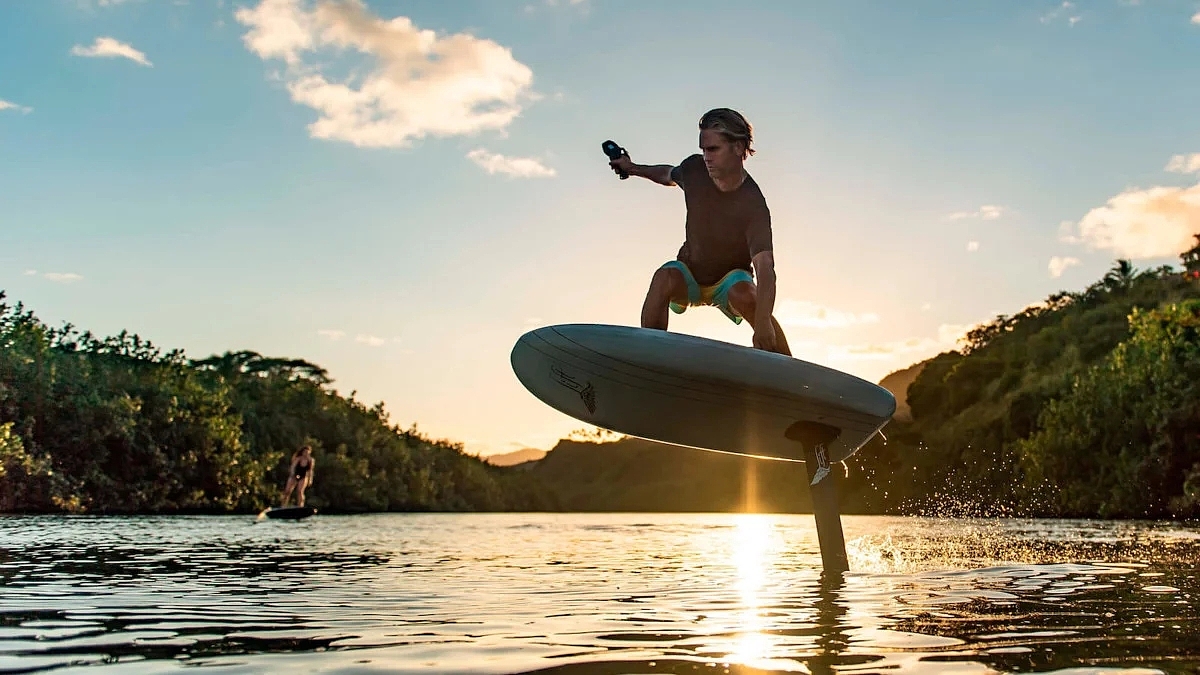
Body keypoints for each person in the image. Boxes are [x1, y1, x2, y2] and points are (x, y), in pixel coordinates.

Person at [607, 107, 791, 356]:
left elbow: (765, 268)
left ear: (738, 148)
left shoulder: (753, 203)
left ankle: (790, 372)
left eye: (713, 149)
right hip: (690, 274)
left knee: (750, 298)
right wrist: (632, 167)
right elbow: (667, 174)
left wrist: (763, 324)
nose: (706, 157)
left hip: (730, 281)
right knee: (664, 277)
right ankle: (651, 359)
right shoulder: (694, 170)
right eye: (703, 149)